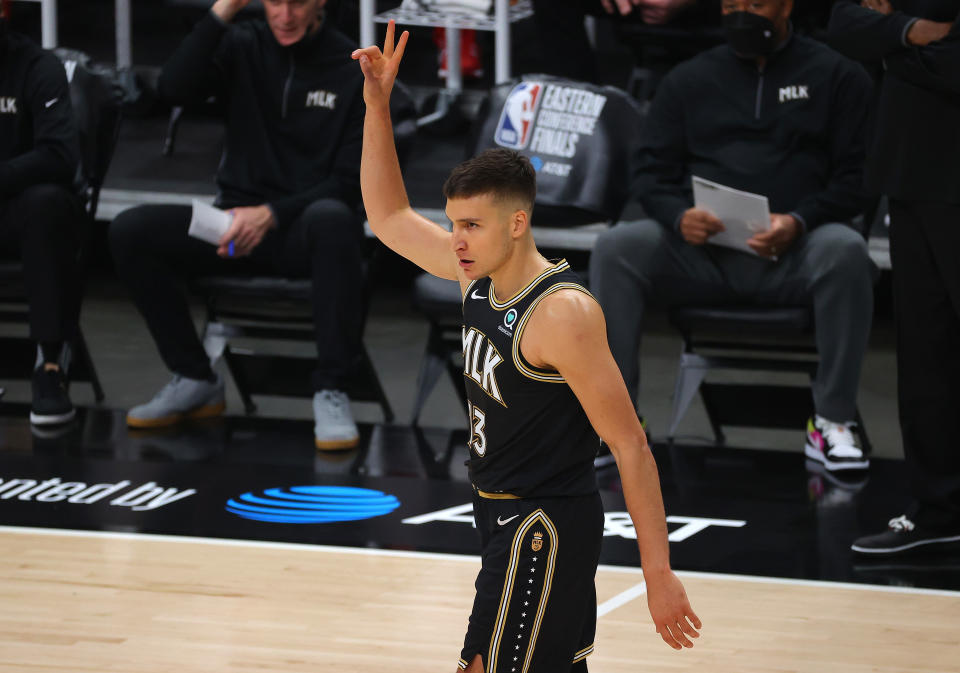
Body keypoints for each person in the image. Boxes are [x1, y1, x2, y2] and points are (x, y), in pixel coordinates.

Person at [353, 22, 701, 671]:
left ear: (518, 223)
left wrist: (659, 573)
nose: (455, 239)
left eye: (471, 225)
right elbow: (389, 218)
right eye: (454, 223)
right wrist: (377, 107)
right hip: (497, 521)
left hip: (545, 527)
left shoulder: (563, 312)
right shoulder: (474, 277)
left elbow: (629, 444)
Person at [589, 0, 876, 473]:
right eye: (731, 4)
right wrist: (679, 215)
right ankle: (614, 425)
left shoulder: (838, 76)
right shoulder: (689, 78)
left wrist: (800, 221)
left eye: (756, 3)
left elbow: (858, 180)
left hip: (796, 251)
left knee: (846, 250)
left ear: (787, 6)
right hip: (701, 253)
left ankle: (833, 421)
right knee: (617, 248)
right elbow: (649, 173)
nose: (742, 13)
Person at [109, 0, 366, 449]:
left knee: (335, 221)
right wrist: (222, 10)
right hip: (229, 228)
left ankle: (332, 389)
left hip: (298, 230)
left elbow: (351, 184)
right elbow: (173, 87)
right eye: (274, 2)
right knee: (131, 230)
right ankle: (193, 376)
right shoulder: (241, 45)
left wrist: (271, 215)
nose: (284, 16)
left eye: (297, 3)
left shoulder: (350, 68)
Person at [827, 0, 960, 555]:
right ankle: (939, 509)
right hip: (910, 175)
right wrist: (909, 34)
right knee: (925, 359)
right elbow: (842, 25)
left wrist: (891, 49)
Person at [0, 1, 85, 426]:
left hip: (21, 208)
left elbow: (58, 155)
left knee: (46, 204)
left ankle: (49, 365)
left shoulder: (38, 67)